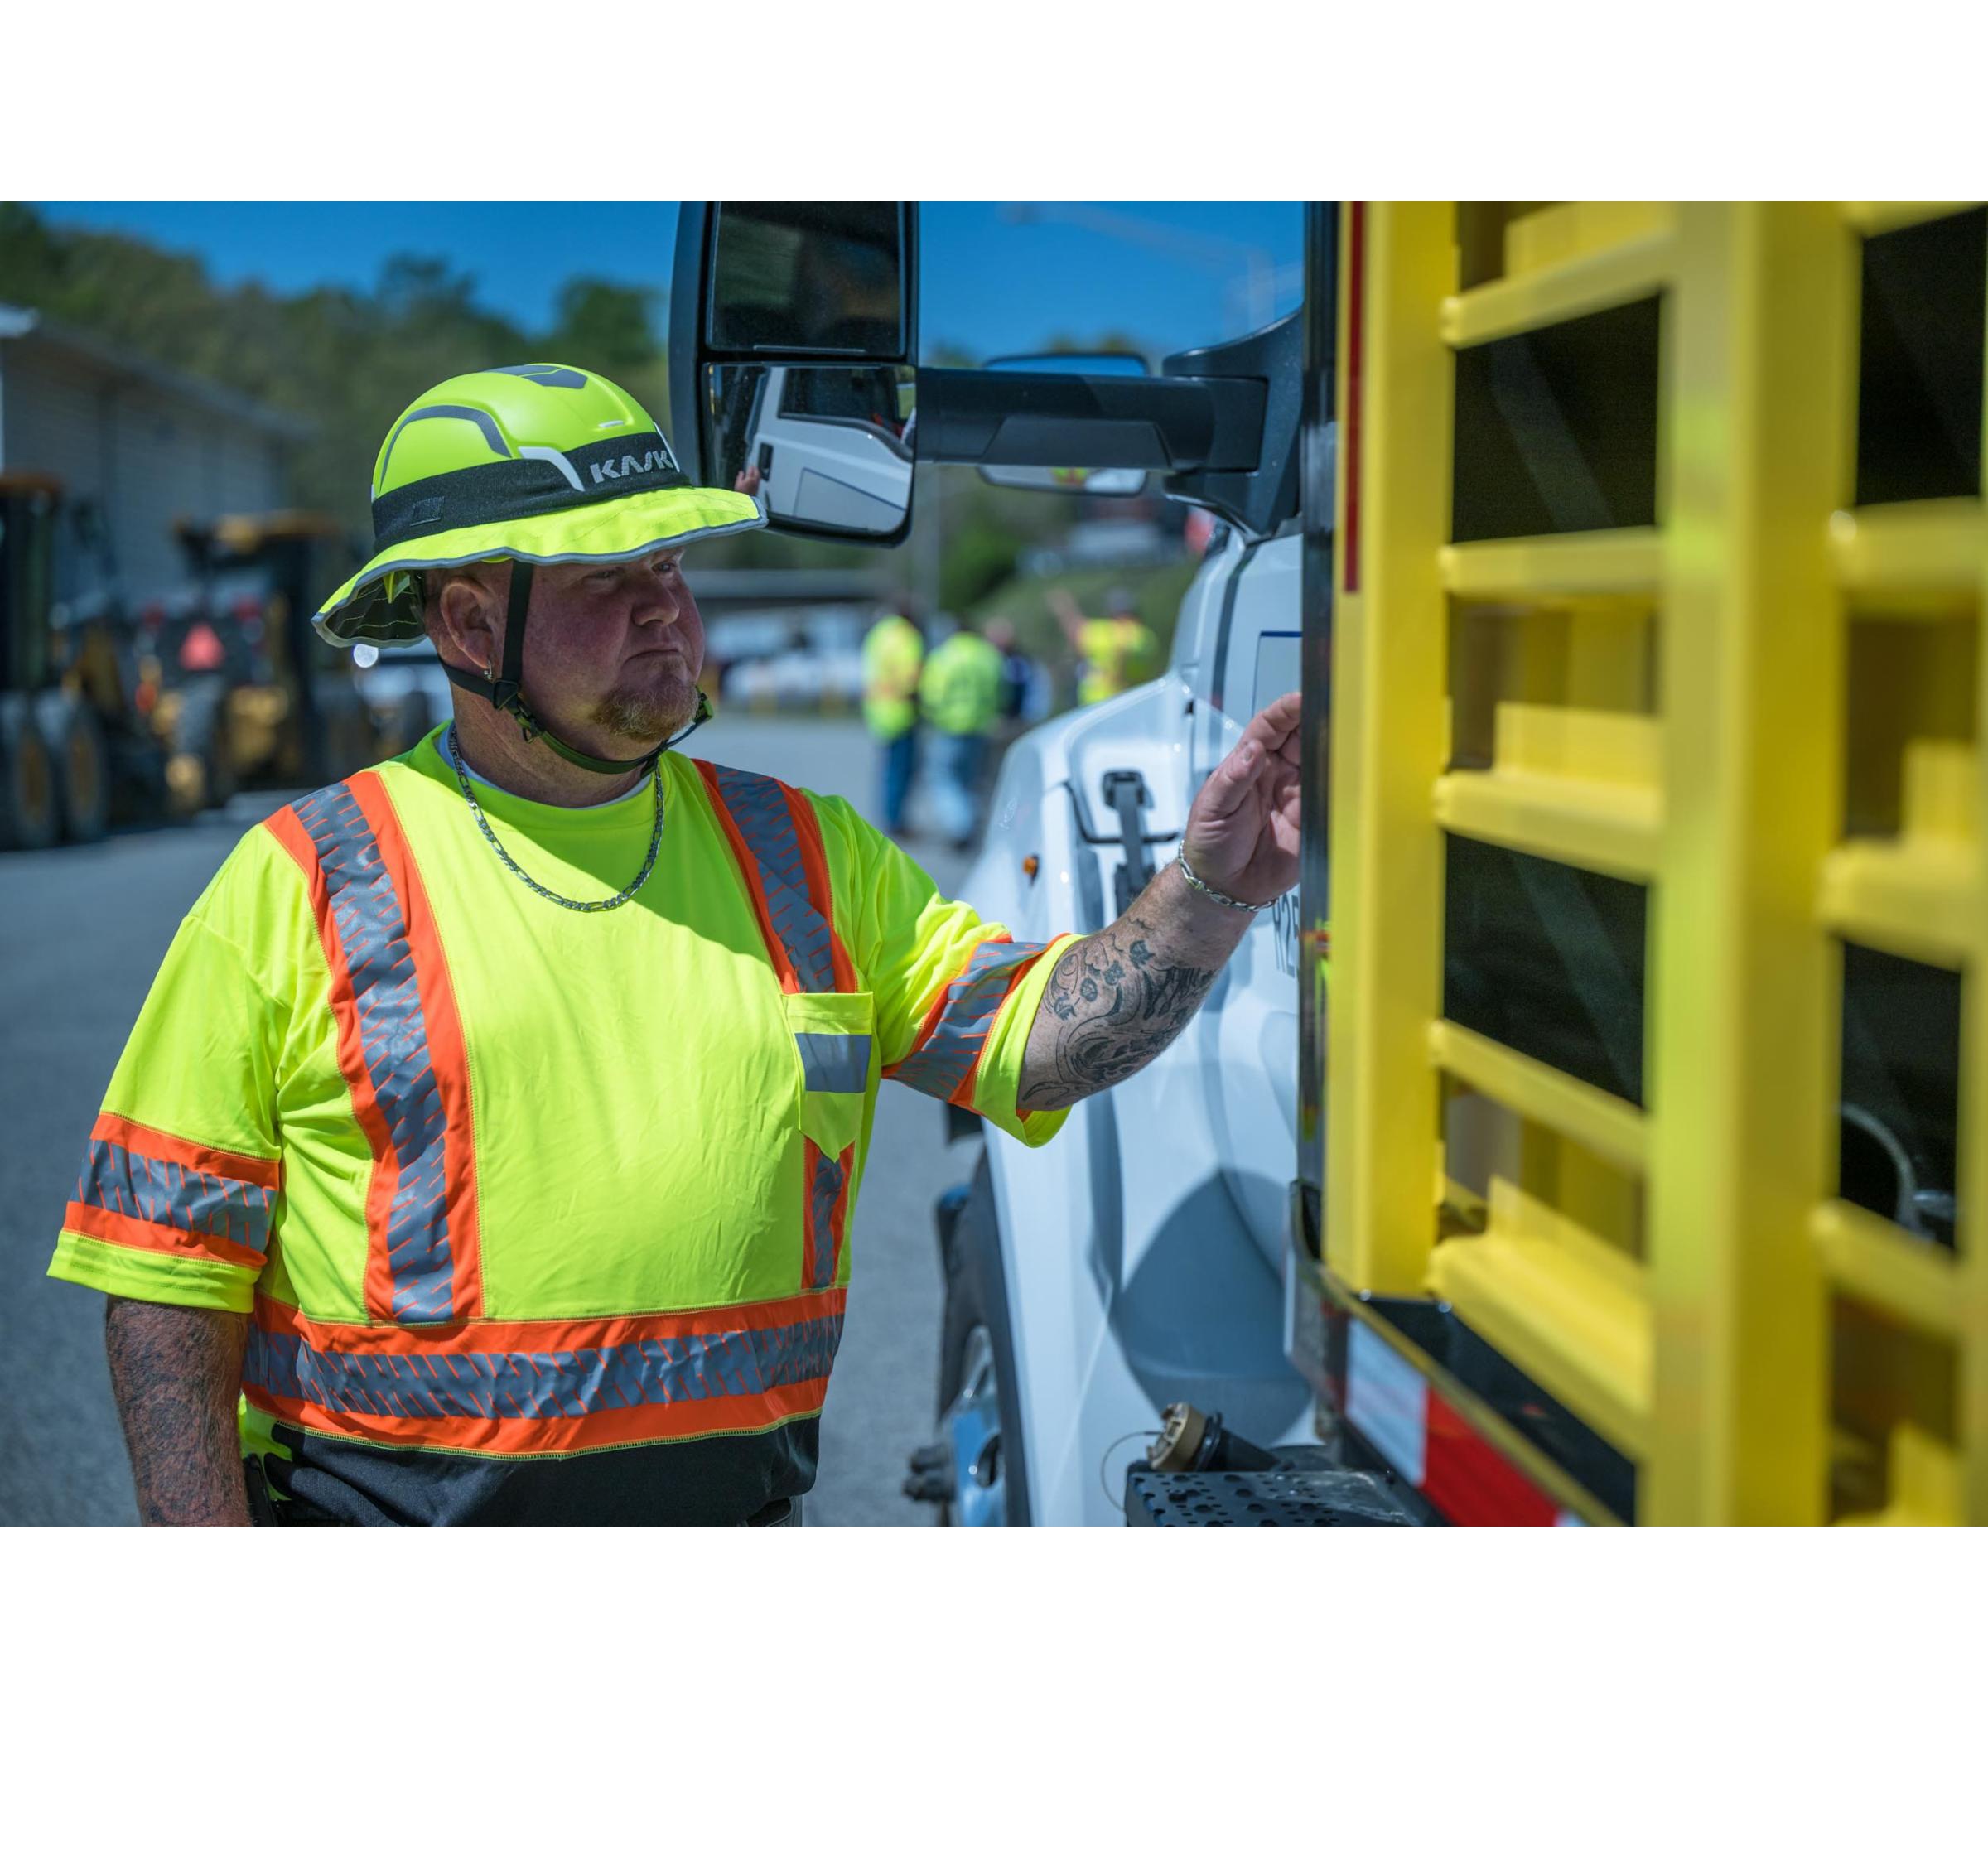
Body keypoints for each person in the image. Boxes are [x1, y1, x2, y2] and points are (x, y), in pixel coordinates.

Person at [46, 361, 1302, 1527]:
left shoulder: (808, 853)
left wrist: (1207, 893)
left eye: (671, 566)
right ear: (470, 626)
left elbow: (1032, 1049)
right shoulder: (303, 880)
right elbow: (164, 1275)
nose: (667, 609)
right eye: (607, 579)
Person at [918, 618, 1005, 852]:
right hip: (980, 726)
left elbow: (932, 693)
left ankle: (961, 825)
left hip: (949, 726)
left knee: (943, 777)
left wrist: (931, 716)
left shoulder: (944, 656)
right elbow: (1000, 690)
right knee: (970, 780)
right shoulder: (988, 655)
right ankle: (971, 822)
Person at [861, 595, 924, 837]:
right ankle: (896, 821)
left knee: (887, 770)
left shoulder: (878, 633)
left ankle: (888, 817)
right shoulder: (907, 636)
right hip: (902, 710)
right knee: (902, 770)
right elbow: (912, 678)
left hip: (878, 709)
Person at [1049, 586, 1162, 707]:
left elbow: (1076, 633)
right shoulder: (1147, 638)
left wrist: (1066, 607)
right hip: (1135, 704)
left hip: (1103, 707)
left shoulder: (1108, 633)